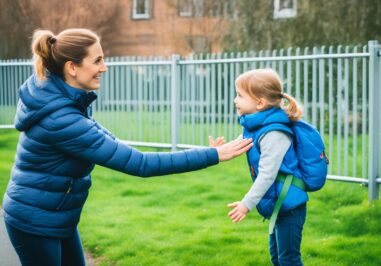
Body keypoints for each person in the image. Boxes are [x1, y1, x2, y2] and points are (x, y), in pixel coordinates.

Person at [2, 28, 253, 266]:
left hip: (55, 213)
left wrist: (205, 152)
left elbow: (115, 146)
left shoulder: (62, 101)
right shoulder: (63, 120)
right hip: (34, 220)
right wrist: (213, 155)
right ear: (72, 68)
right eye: (97, 61)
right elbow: (140, 164)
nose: (104, 67)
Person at [226, 69, 307, 266]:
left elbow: (267, 175)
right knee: (277, 258)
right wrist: (217, 149)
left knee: (289, 260)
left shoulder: (274, 134)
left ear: (260, 102)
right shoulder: (255, 127)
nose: (235, 100)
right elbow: (237, 146)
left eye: (240, 95)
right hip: (278, 204)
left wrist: (247, 204)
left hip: (289, 205)